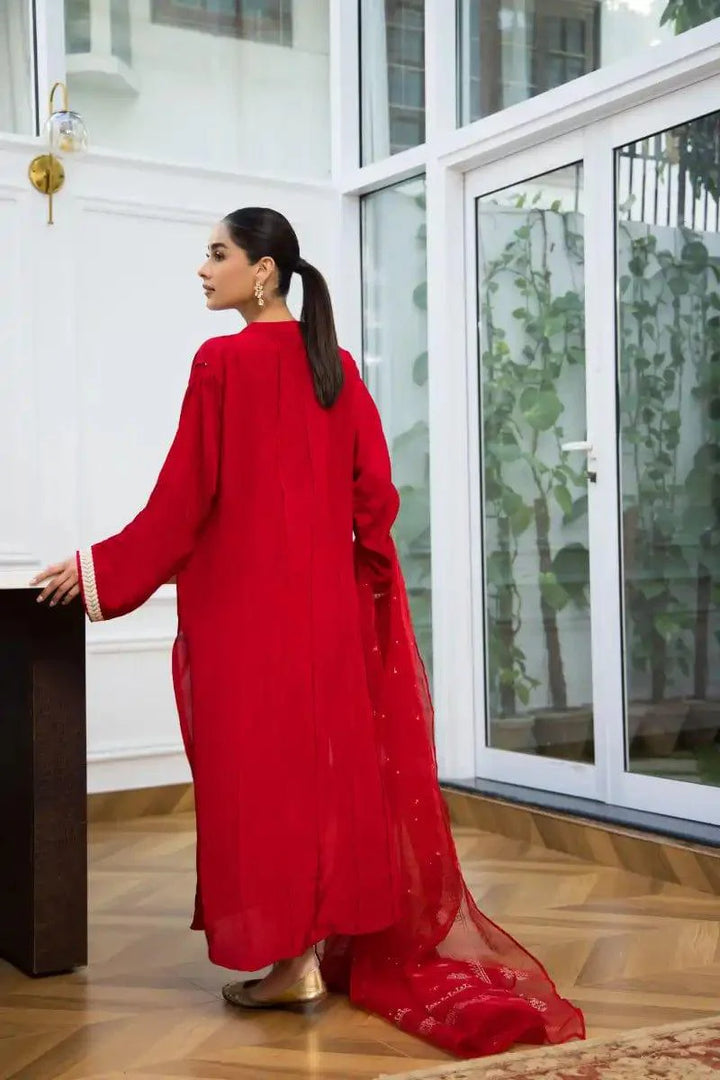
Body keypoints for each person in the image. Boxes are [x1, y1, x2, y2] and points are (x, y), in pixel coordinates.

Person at [31, 207, 585, 1059]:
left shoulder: (221, 363)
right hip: (326, 619)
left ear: (262, 271)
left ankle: (293, 965)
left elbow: (183, 501)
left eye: (217, 254)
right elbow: (376, 498)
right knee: (317, 780)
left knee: (261, 784)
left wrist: (96, 566)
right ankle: (303, 958)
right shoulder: (338, 366)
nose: (203, 269)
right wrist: (358, 588)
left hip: (246, 621)